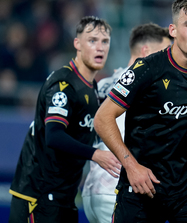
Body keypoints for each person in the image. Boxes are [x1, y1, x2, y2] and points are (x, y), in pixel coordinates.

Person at [94, 0, 187, 222]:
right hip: (141, 187)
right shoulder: (147, 69)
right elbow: (102, 118)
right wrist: (131, 167)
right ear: (173, 30)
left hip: (185, 187)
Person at [9, 16, 121, 223]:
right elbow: (54, 135)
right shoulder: (63, 84)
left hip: (64, 196)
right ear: (77, 44)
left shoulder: (91, 87)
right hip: (38, 194)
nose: (100, 47)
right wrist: (95, 155)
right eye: (92, 40)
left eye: (105, 41)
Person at [82, 22, 172, 223]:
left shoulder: (105, 83)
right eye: (164, 52)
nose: (167, 59)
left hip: (92, 191)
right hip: (118, 190)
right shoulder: (145, 86)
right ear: (146, 51)